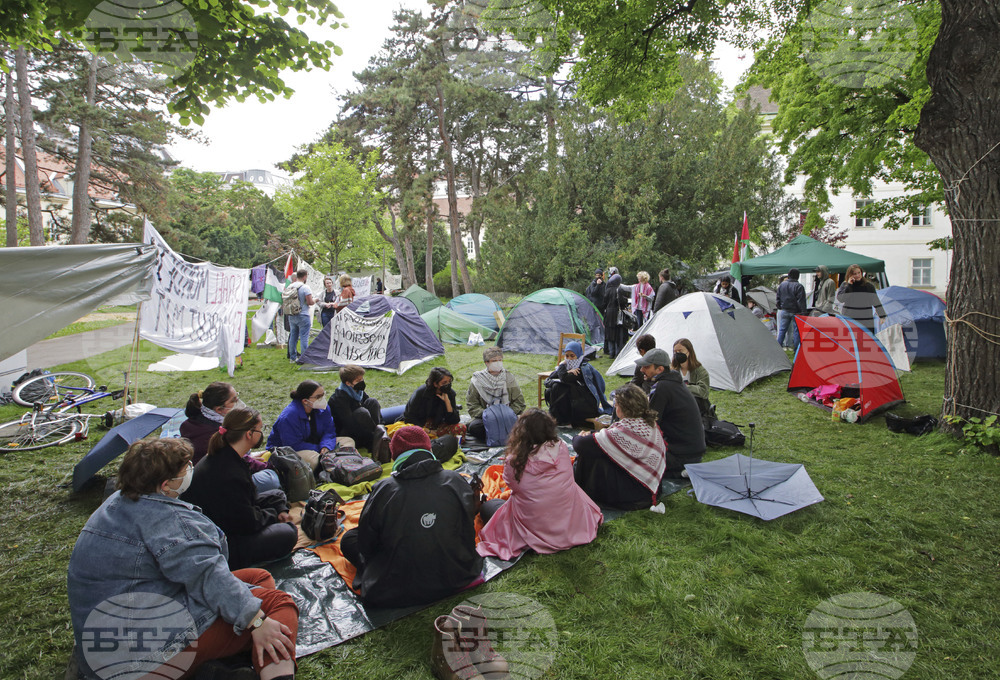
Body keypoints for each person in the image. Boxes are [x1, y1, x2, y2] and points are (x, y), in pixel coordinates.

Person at [67, 439, 297, 680]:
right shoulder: (171, 523)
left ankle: (214, 666)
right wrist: (258, 623)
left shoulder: (114, 505)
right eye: (185, 467)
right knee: (277, 604)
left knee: (258, 578)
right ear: (166, 484)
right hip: (142, 658)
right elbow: (211, 578)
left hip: (107, 643)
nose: (191, 469)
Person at [339, 426, 483, 608]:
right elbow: (466, 529)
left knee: (349, 539)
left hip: (395, 587)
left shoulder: (384, 489)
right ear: (429, 449)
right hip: (458, 574)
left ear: (394, 457)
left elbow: (366, 545)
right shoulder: (456, 479)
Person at [477, 409, 603, 560]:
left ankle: (535, 538)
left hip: (534, 524)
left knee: (488, 507)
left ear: (520, 432)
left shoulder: (514, 461)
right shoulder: (561, 447)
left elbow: (512, 486)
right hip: (570, 520)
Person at [182, 408, 298, 570]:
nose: (262, 434)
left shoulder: (225, 455)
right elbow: (248, 522)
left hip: (230, 516)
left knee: (277, 495)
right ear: (249, 434)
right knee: (288, 533)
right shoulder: (229, 473)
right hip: (223, 542)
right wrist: (274, 515)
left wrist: (279, 508)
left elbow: (247, 502)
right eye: (261, 429)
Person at [573, 385, 667, 510]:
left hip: (633, 496)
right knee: (599, 448)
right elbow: (603, 438)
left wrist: (579, 436)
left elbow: (580, 445)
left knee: (590, 455)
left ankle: (582, 490)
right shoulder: (647, 422)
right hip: (649, 488)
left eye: (616, 405)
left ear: (623, 408)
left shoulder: (625, 430)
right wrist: (590, 435)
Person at [636, 348, 705, 479]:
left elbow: (649, 424)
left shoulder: (662, 387)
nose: (641, 370)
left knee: (633, 455)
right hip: (693, 452)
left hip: (681, 455)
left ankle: (679, 472)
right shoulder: (674, 382)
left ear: (659, 370)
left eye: (646, 366)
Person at [267, 380, 352, 472]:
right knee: (313, 460)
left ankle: (332, 464)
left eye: (323, 394)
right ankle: (337, 464)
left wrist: (326, 446)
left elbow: (329, 431)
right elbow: (292, 445)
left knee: (348, 441)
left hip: (318, 445)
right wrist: (319, 448)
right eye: (318, 397)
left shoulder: (323, 408)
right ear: (305, 401)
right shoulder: (289, 416)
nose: (322, 399)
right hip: (289, 451)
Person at [331, 364, 390, 461]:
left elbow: (372, 407)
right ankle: (375, 439)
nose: (362, 382)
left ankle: (379, 433)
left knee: (372, 402)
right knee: (361, 412)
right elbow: (348, 423)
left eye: (362, 379)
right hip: (349, 432)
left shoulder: (358, 392)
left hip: (366, 428)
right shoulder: (339, 399)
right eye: (358, 381)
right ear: (348, 383)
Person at [545, 340, 611, 426]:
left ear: (578, 355)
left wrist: (561, 366)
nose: (569, 359)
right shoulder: (568, 367)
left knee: (559, 387)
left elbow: (565, 378)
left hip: (583, 401)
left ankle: (563, 418)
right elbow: (551, 377)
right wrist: (567, 371)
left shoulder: (583, 368)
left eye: (572, 356)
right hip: (573, 398)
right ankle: (560, 417)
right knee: (555, 387)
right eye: (567, 356)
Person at [466, 347, 526, 441]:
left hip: (508, 416)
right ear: (486, 362)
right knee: (475, 427)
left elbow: (520, 402)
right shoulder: (477, 380)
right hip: (486, 417)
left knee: (528, 423)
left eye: (500, 360)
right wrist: (489, 415)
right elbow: (472, 405)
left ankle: (502, 435)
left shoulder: (509, 377)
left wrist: (507, 413)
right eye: (494, 361)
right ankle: (501, 436)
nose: (498, 363)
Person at [180, 381, 240, 463]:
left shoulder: (194, 418)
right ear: (219, 409)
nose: (237, 401)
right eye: (233, 400)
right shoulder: (218, 434)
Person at [402, 367, 467, 440]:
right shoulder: (421, 393)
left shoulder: (450, 394)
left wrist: (447, 402)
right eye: (444, 383)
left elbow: (454, 420)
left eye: (449, 382)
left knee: (461, 428)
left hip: (438, 427)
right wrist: (427, 430)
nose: (447, 385)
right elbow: (409, 417)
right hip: (421, 426)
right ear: (435, 384)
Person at [836, 264, 888, 334]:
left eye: (859, 273)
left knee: (866, 341)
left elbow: (876, 301)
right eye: (855, 274)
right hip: (850, 318)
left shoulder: (868, 286)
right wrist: (849, 285)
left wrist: (882, 315)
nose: (857, 275)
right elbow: (841, 299)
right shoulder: (845, 285)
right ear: (850, 274)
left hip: (866, 318)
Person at [672, 338, 711, 417]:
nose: (677, 354)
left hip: (697, 409)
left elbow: (703, 391)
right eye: (675, 352)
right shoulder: (672, 370)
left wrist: (683, 387)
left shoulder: (700, 371)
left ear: (689, 352)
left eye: (680, 351)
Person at [776, 268, 807, 350]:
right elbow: (801, 301)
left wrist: (780, 307)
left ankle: (778, 348)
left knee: (782, 330)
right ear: (798, 276)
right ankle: (796, 349)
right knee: (796, 332)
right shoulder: (799, 286)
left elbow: (778, 298)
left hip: (784, 310)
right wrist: (803, 312)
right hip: (795, 312)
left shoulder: (782, 285)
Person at [287, 268, 314, 363]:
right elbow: (310, 302)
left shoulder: (290, 286)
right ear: (305, 276)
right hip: (303, 314)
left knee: (293, 336)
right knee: (304, 337)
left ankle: (292, 357)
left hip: (292, 314)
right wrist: (316, 300)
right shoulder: (305, 287)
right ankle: (304, 358)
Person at [602, 267, 627, 358]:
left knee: (609, 334)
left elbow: (604, 303)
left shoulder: (607, 290)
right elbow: (622, 302)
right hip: (616, 314)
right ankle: (617, 352)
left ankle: (611, 352)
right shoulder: (619, 290)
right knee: (617, 335)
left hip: (608, 314)